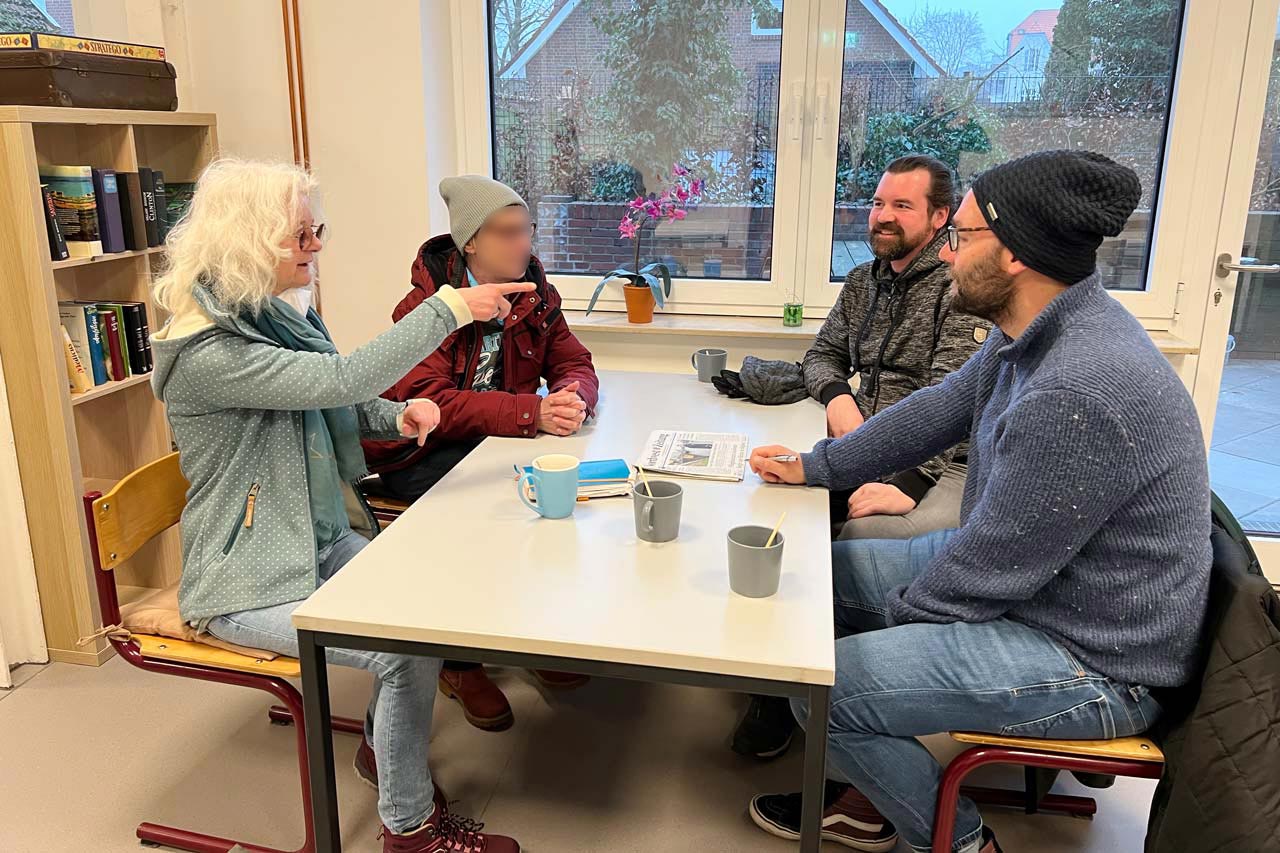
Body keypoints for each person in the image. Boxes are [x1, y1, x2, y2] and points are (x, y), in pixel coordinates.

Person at [744, 150, 1211, 853]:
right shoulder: (1033, 331)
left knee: (825, 688)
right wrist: (817, 466)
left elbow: (989, 575)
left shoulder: (1078, 388)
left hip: (1097, 655)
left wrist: (887, 632)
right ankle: (874, 794)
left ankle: (963, 843)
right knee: (809, 583)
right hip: (1050, 594)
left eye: (959, 236)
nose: (948, 253)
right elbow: (939, 407)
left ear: (1016, 254)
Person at [150, 158, 531, 853]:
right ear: (248, 242)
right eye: (299, 235)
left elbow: (338, 395)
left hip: (315, 539)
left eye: (314, 229)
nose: (316, 245)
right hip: (241, 579)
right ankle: (410, 832)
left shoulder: (275, 316)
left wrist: (395, 417)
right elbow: (340, 376)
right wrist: (448, 306)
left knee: (423, 618)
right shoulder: (209, 351)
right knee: (398, 650)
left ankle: (387, 757)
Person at [732, 155, 991, 761]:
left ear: (939, 217)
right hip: (863, 444)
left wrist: (911, 479)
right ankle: (773, 675)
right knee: (771, 504)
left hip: (935, 461)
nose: (883, 216)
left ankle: (847, 698)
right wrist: (838, 398)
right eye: (879, 203)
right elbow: (819, 356)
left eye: (902, 206)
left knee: (860, 536)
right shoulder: (863, 280)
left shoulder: (957, 290)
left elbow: (953, 402)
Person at [363, 175, 600, 733]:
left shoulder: (534, 292)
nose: (526, 244)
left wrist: (571, 397)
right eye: (510, 232)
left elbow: (575, 360)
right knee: (485, 519)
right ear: (471, 242)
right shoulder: (425, 308)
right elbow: (433, 403)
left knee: (550, 505)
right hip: (418, 454)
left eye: (529, 231)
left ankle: (524, 634)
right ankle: (460, 663)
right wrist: (529, 414)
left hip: (490, 445)